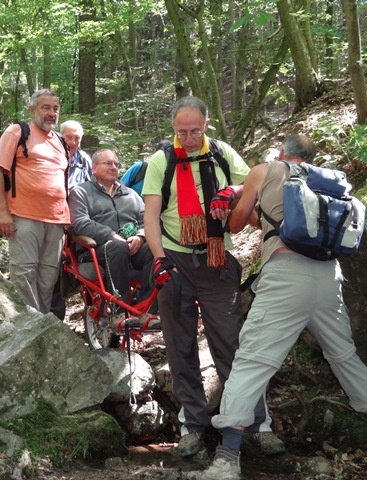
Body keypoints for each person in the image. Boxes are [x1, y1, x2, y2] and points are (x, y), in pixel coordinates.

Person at [190, 135, 367, 480]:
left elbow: (238, 223)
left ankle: (226, 460)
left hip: (286, 275)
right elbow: (273, 221)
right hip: (328, 276)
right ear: (310, 157)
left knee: (252, 360)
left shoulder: (267, 169)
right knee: (344, 355)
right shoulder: (327, 182)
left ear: (282, 153)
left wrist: (227, 207)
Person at [142, 96, 282, 459]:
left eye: (194, 131)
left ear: (206, 125)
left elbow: (256, 182)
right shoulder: (162, 161)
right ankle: (193, 426)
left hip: (218, 259)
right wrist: (158, 259)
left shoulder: (222, 154)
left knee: (232, 342)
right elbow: (152, 214)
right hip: (174, 260)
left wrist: (231, 191)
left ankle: (257, 422)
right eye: (181, 131)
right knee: (179, 346)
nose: (188, 138)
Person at [0, 89, 69, 314]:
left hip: (56, 220)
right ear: (32, 110)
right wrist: (2, 212)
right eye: (46, 108)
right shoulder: (18, 132)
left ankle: (41, 326)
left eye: (55, 108)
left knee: (47, 279)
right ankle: (28, 330)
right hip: (24, 216)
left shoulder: (61, 142)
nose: (52, 113)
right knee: (23, 276)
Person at [68, 149, 158, 328]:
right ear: (94, 168)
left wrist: (140, 237)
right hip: (95, 249)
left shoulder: (130, 194)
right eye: (108, 163)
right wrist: (111, 235)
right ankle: (118, 313)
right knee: (118, 248)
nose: (114, 167)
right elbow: (79, 223)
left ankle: (146, 310)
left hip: (132, 246)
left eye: (116, 164)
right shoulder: (81, 192)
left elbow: (145, 220)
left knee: (156, 249)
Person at [50, 119, 94, 320]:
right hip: (55, 220)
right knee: (54, 267)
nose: (73, 142)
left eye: (77, 138)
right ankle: (54, 314)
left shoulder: (85, 160)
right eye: (69, 137)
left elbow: (94, 190)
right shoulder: (51, 158)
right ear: (60, 137)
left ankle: (96, 308)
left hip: (80, 218)